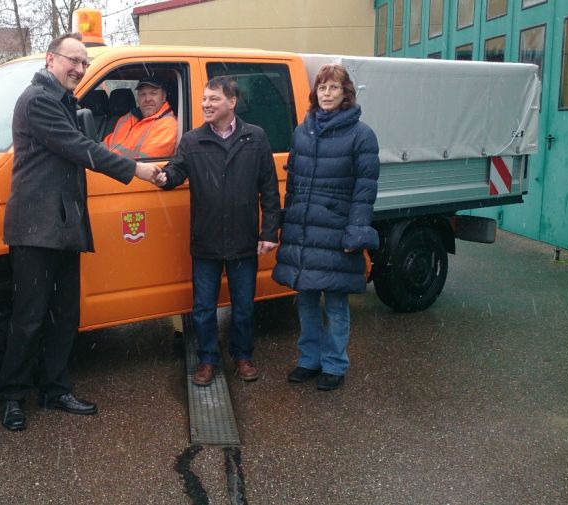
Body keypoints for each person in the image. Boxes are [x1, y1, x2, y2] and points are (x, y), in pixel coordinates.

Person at [0, 33, 161, 431]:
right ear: (51, 59)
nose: (79, 69)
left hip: (64, 224)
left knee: (64, 314)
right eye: (74, 61)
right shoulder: (37, 100)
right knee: (29, 317)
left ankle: (55, 388)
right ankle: (12, 396)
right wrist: (135, 168)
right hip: (37, 227)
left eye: (84, 64)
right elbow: (77, 146)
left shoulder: (65, 101)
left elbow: (84, 144)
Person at [153, 76, 280, 386]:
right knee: (204, 309)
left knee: (244, 306)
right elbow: (175, 172)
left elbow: (270, 189)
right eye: (204, 99)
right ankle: (207, 360)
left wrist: (269, 232)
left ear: (232, 102)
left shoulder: (256, 138)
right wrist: (162, 177)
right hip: (206, 239)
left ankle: (242, 356)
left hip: (243, 239)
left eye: (213, 99)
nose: (205, 104)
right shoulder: (192, 140)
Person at [272, 64, 379, 391]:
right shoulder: (303, 130)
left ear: (346, 93)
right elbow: (293, 184)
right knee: (305, 300)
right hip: (304, 229)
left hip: (335, 229)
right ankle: (309, 360)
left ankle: (334, 364)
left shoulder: (362, 135)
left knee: (335, 302)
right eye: (322, 88)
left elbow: (365, 191)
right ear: (315, 93)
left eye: (334, 88)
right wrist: (286, 220)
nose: (327, 94)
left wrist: (356, 232)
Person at [104, 75, 178, 159]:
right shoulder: (127, 118)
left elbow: (145, 163)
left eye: (153, 93)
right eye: (142, 94)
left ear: (164, 97)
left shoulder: (167, 126)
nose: (147, 99)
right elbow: (106, 144)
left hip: (125, 170)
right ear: (138, 98)